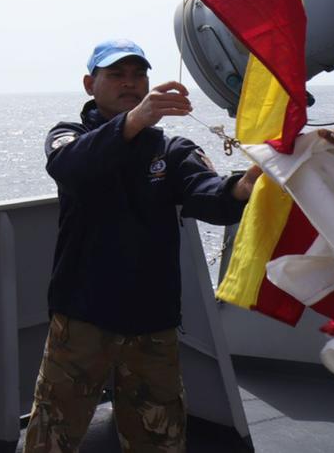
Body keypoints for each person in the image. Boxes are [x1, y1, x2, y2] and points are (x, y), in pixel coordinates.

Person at [22, 40, 261, 453]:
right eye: (116, 75)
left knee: (158, 438)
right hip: (82, 317)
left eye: (138, 75)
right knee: (52, 435)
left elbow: (207, 195)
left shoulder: (171, 150)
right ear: (89, 84)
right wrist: (134, 121)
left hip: (152, 321)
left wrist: (241, 187)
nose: (130, 84)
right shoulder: (68, 137)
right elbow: (71, 168)